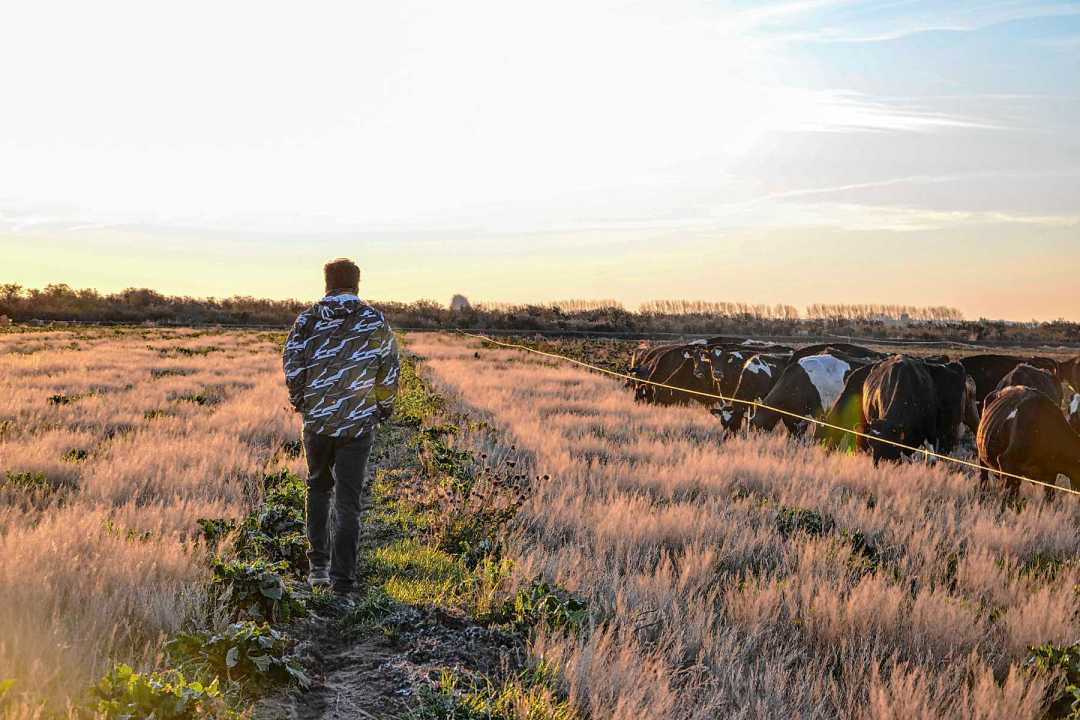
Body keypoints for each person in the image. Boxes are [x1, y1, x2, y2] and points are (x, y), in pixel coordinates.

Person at [282, 258, 400, 595]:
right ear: (357, 284)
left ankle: (317, 568)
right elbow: (388, 368)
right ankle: (342, 580)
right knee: (349, 501)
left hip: (317, 421)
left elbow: (292, 363)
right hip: (358, 424)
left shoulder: (307, 319)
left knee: (318, 488)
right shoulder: (374, 319)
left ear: (327, 283)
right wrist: (381, 408)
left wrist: (302, 400)